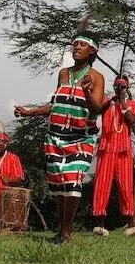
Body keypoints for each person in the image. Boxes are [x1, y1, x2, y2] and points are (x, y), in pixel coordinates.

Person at [14, 30, 106, 243]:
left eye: (82, 45)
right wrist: (28, 112)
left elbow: (97, 109)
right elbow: (55, 104)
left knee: (73, 181)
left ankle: (66, 232)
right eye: (75, 44)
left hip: (81, 139)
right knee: (58, 185)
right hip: (55, 137)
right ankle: (61, 229)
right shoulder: (63, 74)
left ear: (92, 51)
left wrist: (87, 91)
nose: (77, 47)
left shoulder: (96, 77)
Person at [91, 75, 135, 237]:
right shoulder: (106, 102)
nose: (120, 88)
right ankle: (99, 225)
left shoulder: (132, 104)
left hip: (124, 151)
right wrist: (112, 101)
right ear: (113, 87)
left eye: (123, 86)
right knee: (102, 185)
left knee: (126, 187)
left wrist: (122, 103)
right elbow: (97, 110)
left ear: (127, 88)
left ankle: (131, 224)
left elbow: (132, 120)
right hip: (106, 149)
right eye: (118, 85)